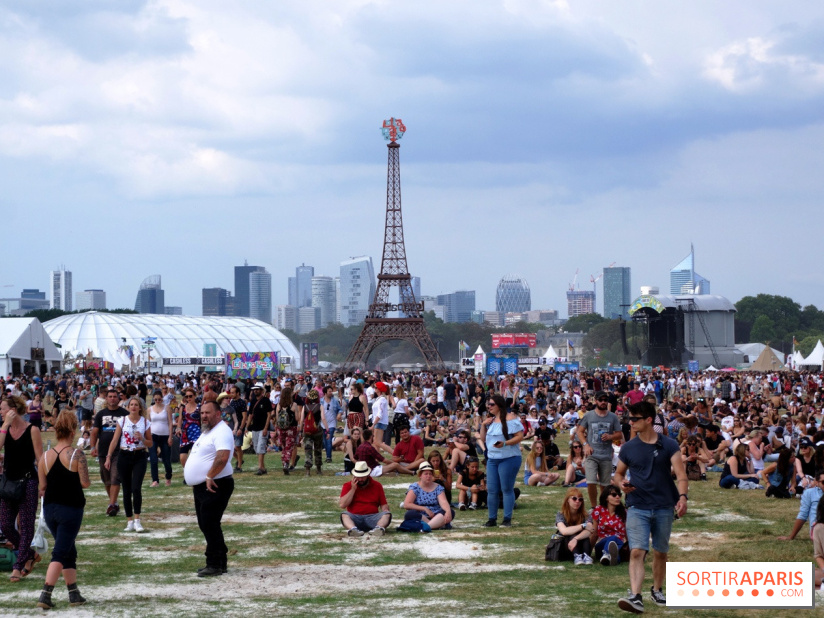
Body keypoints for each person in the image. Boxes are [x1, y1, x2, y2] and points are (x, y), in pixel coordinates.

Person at [615, 401, 688, 614]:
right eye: (629, 418)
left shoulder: (669, 445)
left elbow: (681, 475)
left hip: (664, 505)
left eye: (634, 419)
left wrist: (683, 497)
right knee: (637, 551)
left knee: (660, 551)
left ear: (648, 420)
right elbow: (618, 474)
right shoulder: (628, 447)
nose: (630, 422)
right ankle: (636, 596)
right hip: (637, 505)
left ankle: (657, 589)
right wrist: (621, 484)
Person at [35, 411, 90, 609]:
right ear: (73, 430)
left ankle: (74, 593)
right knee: (60, 552)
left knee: (68, 549)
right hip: (71, 508)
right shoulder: (77, 454)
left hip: (50, 509)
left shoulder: (44, 457)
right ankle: (46, 593)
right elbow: (85, 483)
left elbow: (42, 486)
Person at [183, 400, 234, 577]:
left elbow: (223, 457)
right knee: (206, 524)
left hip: (216, 483)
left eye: (208, 413)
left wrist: (209, 476)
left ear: (218, 414)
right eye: (202, 413)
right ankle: (220, 559)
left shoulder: (222, 431)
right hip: (204, 485)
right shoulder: (207, 431)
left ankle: (214, 564)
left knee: (209, 523)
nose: (204, 416)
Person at [0, 395, 44, 582]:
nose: (0, 412)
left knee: (26, 526)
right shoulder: (4, 429)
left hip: (28, 482)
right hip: (9, 482)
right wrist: (4, 426)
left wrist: (43, 484)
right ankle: (31, 554)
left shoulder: (32, 429)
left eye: (2, 408)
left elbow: (40, 459)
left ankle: (18, 566)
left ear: (13, 410)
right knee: (5, 524)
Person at [105, 396, 152, 533]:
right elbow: (115, 440)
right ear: (128, 407)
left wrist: (142, 438)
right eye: (131, 404)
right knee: (126, 489)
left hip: (139, 455)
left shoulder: (145, 422)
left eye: (136, 405)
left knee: (136, 488)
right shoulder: (122, 421)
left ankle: (137, 520)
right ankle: (129, 520)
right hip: (124, 455)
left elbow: (150, 443)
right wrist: (108, 456)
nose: (133, 407)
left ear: (140, 407)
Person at [480, 394, 524, 528]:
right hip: (492, 459)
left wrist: (505, 443)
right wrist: (483, 425)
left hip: (509, 458)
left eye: (492, 404)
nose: (489, 407)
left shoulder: (511, 418)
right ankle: (491, 519)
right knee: (492, 490)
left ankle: (507, 519)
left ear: (499, 405)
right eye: (488, 404)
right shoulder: (491, 420)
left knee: (506, 489)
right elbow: (483, 439)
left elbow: (520, 436)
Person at [577, 391, 623, 509]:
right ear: (596, 401)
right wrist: (585, 445)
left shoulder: (612, 416)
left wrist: (610, 436)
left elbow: (619, 434)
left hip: (606, 455)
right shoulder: (589, 415)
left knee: (605, 484)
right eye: (601, 400)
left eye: (605, 400)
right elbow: (580, 431)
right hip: (592, 454)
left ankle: (603, 507)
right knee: (591, 482)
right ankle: (594, 507)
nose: (603, 402)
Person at [89, 389, 127, 516]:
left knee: (115, 477)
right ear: (106, 398)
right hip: (103, 451)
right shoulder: (101, 414)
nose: (112, 399)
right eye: (110, 396)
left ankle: (111, 505)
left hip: (120, 451)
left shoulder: (124, 414)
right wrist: (92, 447)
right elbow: (94, 432)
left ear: (118, 398)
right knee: (107, 480)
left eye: (115, 396)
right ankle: (114, 503)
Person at [339, 461, 391, 537]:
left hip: (372, 517)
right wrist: (353, 489)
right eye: (358, 476)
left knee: (387, 514)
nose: (360, 479)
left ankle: (378, 529)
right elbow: (342, 505)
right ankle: (353, 529)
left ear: (368, 475)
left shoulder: (377, 485)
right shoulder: (347, 485)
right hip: (355, 517)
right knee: (344, 514)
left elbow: (383, 504)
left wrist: (385, 510)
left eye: (362, 477)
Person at [401, 462, 453, 531]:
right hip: (421, 515)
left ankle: (427, 526)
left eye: (430, 474)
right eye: (426, 474)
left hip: (436, 515)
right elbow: (407, 504)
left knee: (450, 512)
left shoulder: (438, 487)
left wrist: (448, 511)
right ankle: (436, 524)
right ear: (420, 475)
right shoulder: (415, 487)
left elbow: (443, 502)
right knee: (410, 514)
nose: (428, 476)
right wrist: (424, 509)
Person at [590, 485, 629, 566]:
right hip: (602, 543)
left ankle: (611, 558)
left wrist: (632, 548)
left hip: (619, 543)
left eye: (619, 495)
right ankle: (608, 554)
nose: (617, 497)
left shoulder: (624, 512)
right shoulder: (598, 510)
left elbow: (627, 532)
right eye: (614, 495)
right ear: (606, 498)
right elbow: (594, 533)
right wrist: (588, 552)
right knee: (613, 538)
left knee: (616, 542)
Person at [556, 487, 593, 564]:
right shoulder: (560, 514)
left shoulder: (586, 515)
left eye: (580, 499)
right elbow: (564, 531)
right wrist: (583, 526)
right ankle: (577, 556)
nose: (577, 501)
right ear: (568, 500)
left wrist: (576, 539)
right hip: (566, 547)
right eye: (574, 498)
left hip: (580, 544)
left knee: (584, 537)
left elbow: (589, 530)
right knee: (572, 535)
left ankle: (586, 556)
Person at [147, 389, 173, 488]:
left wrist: (170, 436)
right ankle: (155, 480)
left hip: (165, 436)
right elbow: (148, 424)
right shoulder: (150, 409)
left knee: (166, 459)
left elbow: (170, 422)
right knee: (153, 459)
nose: (157, 401)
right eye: (156, 399)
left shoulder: (167, 408)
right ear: (153, 399)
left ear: (162, 399)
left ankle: (168, 477)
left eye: (159, 399)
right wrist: (147, 437)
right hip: (153, 436)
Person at [247, 383, 273, 476]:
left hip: (263, 427)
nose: (255, 391)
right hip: (255, 428)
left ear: (261, 390)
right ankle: (263, 467)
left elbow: (269, 415)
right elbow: (250, 415)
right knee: (256, 447)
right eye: (254, 389)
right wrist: (247, 427)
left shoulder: (266, 400)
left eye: (257, 389)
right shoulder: (253, 401)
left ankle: (260, 468)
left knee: (260, 447)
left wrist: (266, 428)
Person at [274, 386, 300, 475]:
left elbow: (277, 418)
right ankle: (286, 463)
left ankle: (284, 463)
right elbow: (297, 418)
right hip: (291, 429)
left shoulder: (279, 405)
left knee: (284, 447)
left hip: (281, 429)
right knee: (289, 447)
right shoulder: (294, 405)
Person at [299, 389, 324, 476]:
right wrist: (327, 429)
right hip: (317, 430)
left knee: (308, 450)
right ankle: (318, 469)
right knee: (318, 449)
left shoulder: (305, 407)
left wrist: (300, 431)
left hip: (307, 431)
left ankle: (308, 470)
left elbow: (301, 420)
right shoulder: (320, 406)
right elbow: (323, 418)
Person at [175, 388, 201, 470]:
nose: (188, 398)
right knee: (182, 457)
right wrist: (178, 428)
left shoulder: (199, 407)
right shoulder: (183, 407)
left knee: (195, 455)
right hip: (185, 432)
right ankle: (187, 472)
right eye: (187, 396)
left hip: (196, 432)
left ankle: (196, 471)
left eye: (190, 396)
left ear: (194, 396)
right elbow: (180, 419)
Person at [321, 387, 342, 464]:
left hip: (331, 423)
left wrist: (339, 414)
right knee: (324, 441)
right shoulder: (321, 401)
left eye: (331, 391)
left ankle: (329, 457)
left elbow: (340, 409)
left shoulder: (334, 401)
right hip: (322, 424)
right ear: (325, 393)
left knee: (329, 439)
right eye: (329, 391)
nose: (331, 393)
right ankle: (328, 454)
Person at [371, 382, 391, 446]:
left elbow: (380, 413)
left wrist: (373, 424)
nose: (374, 389)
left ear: (379, 389)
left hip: (380, 422)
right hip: (378, 422)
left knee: (377, 442)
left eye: (376, 387)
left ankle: (393, 451)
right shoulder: (379, 399)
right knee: (376, 443)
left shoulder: (382, 399)